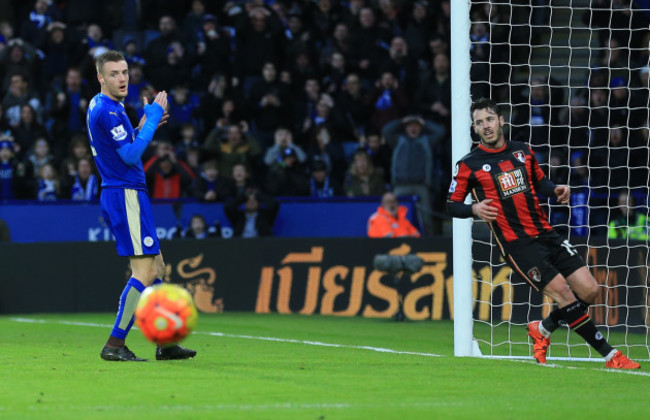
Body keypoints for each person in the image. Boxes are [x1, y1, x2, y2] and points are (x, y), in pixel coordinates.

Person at [447, 98, 639, 369]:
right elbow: (451, 205)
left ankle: (543, 328)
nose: (485, 126)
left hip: (546, 233)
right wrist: (474, 209)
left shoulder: (522, 151)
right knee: (565, 294)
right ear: (475, 128)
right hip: (517, 244)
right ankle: (610, 355)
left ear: (501, 120)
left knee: (590, 290)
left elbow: (540, 182)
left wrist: (556, 189)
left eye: (489, 119)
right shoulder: (469, 164)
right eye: (479, 123)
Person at [87, 50, 195, 362]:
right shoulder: (109, 111)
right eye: (114, 74)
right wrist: (148, 126)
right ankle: (115, 344)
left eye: (124, 72)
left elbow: (122, 145)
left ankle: (165, 341)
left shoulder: (102, 104)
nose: (122, 79)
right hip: (125, 195)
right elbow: (131, 156)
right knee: (144, 271)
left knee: (158, 268)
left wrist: (144, 124)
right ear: (101, 78)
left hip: (126, 193)